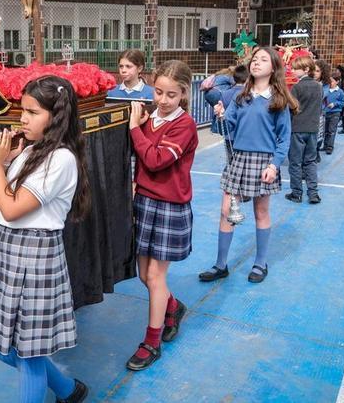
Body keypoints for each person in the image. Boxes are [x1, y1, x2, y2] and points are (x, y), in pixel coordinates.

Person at [0, 75, 90, 403]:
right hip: (7, 250)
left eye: (32, 112)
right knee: (5, 349)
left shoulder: (60, 159)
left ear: (56, 117)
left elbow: (11, 210)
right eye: (21, 110)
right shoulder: (29, 152)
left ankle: (68, 391)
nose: (22, 118)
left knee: (28, 355)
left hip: (35, 256)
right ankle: (70, 391)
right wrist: (5, 163)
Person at [198, 47, 297, 285]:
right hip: (238, 160)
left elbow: (284, 139)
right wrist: (221, 115)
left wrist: (274, 166)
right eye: (255, 59)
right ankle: (221, 265)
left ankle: (260, 263)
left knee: (260, 212)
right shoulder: (241, 96)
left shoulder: (279, 100)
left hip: (264, 162)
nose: (257, 63)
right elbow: (228, 128)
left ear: (273, 67)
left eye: (263, 59)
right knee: (226, 212)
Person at [124, 60, 198, 371]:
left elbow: (154, 161)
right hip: (144, 202)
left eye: (171, 95)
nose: (163, 101)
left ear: (183, 93)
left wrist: (134, 129)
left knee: (156, 277)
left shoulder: (185, 125)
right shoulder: (149, 118)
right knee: (144, 275)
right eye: (158, 92)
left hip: (170, 206)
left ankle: (151, 342)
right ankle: (173, 306)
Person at [285, 56, 323, 204]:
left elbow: (291, 107)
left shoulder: (297, 87)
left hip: (297, 128)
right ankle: (313, 193)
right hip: (312, 128)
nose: (293, 71)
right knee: (310, 161)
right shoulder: (318, 86)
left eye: (295, 68)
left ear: (306, 69)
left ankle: (296, 193)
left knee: (295, 162)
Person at [322, 71, 344, 154]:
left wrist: (335, 104)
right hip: (325, 113)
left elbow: (343, 102)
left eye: (332, 81)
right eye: (329, 81)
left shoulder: (340, 92)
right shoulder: (325, 90)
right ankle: (325, 145)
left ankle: (330, 147)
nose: (330, 83)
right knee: (325, 130)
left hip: (335, 113)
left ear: (337, 81)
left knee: (332, 130)